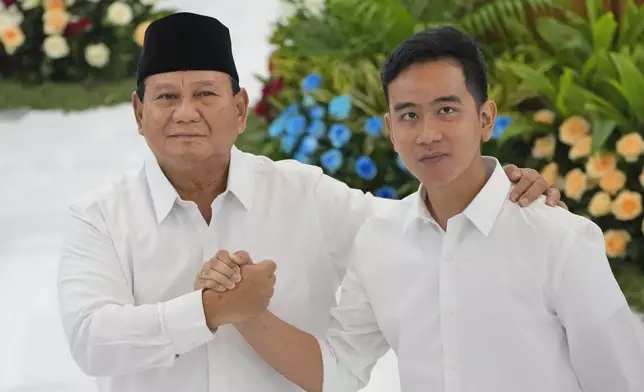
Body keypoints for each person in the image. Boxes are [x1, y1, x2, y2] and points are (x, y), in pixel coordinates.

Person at [57, 13, 566, 392]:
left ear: (240, 110)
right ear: (138, 111)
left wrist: (496, 189)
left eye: (206, 94)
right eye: (166, 97)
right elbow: (91, 339)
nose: (185, 112)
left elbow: (414, 228)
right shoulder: (101, 216)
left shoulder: (304, 194)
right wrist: (210, 311)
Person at [201, 26, 644, 392]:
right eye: (410, 116)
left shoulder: (558, 238)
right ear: (391, 130)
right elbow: (338, 372)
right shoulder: (378, 241)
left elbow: (621, 381)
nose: (428, 133)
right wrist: (246, 312)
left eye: (447, 110)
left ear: (485, 118)